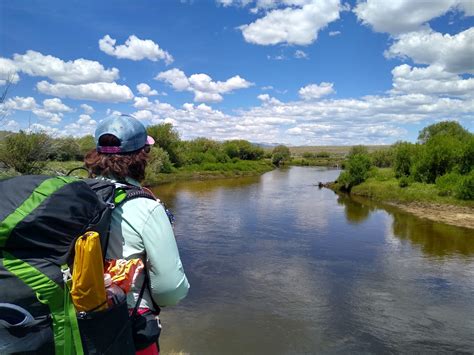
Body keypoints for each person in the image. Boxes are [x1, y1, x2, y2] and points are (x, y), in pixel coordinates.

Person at [84, 114, 190, 355]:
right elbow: (171, 290)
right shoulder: (147, 206)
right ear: (142, 156)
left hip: (75, 322)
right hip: (128, 323)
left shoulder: (74, 195)